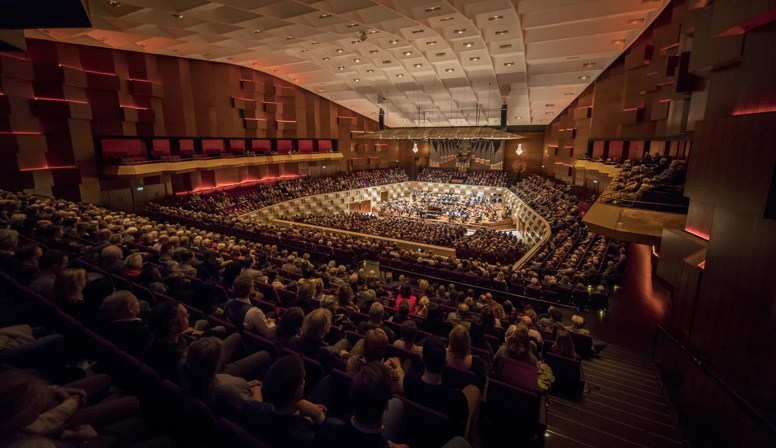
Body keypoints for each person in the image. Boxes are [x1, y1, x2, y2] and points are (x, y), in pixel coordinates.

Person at [143, 302, 270, 384]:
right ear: (173, 328)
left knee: (233, 335)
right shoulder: (184, 359)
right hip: (212, 372)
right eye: (185, 316)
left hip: (205, 360)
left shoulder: (154, 343)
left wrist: (189, 334)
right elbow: (206, 379)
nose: (188, 317)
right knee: (265, 354)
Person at [241, 355, 329, 448]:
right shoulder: (306, 437)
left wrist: (296, 412)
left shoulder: (250, 410)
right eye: (303, 379)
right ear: (298, 391)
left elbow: (262, 409)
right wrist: (319, 416)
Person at [403, 336, 478, 437]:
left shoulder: (409, 381)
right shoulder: (456, 399)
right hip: (442, 441)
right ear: (445, 362)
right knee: (474, 390)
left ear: (422, 358)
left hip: (411, 435)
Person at [179, 337, 262, 419]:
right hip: (247, 416)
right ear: (216, 366)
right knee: (265, 355)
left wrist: (245, 384)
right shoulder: (227, 389)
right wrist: (257, 387)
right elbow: (258, 412)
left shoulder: (188, 377)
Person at [288, 309, 350, 374]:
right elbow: (346, 368)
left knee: (344, 341)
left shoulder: (293, 341)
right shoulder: (327, 355)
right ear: (326, 330)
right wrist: (345, 356)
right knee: (346, 342)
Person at [99, 290, 151, 357]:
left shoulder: (107, 327)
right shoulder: (142, 331)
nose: (138, 303)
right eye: (136, 301)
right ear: (130, 308)